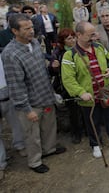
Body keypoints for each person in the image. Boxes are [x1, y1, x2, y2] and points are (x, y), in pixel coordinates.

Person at [2, 14, 66, 174]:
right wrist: (27, 109)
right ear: (15, 31)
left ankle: (49, 149)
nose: (31, 31)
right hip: (30, 103)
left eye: (31, 27)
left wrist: (52, 65)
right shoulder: (10, 54)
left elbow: (41, 68)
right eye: (27, 28)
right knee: (32, 135)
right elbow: (16, 85)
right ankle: (35, 160)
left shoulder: (36, 43)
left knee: (49, 127)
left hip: (45, 95)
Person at [61, 21, 109, 158]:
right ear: (78, 35)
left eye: (94, 33)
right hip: (88, 95)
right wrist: (81, 92)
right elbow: (68, 79)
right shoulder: (70, 55)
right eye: (90, 34)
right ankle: (96, 144)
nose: (94, 37)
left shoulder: (98, 47)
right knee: (92, 120)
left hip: (105, 90)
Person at [49, 28, 83, 144]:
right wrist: (54, 67)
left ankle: (87, 130)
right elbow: (52, 72)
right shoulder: (57, 53)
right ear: (63, 41)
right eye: (69, 38)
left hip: (82, 83)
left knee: (84, 108)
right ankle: (76, 133)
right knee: (73, 111)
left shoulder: (80, 48)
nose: (73, 40)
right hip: (66, 86)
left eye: (74, 37)